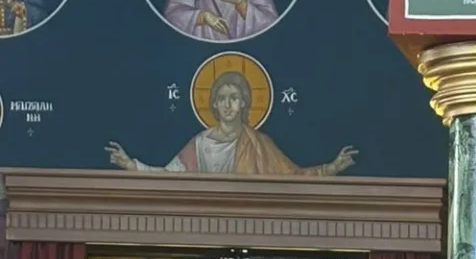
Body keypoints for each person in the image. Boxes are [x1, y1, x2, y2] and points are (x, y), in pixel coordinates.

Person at [107, 72, 357, 178]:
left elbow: (290, 177)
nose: (228, 105)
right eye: (222, 98)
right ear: (214, 104)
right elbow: (170, 176)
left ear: (244, 103)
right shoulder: (201, 143)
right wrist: (132, 166)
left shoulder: (259, 144)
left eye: (234, 98)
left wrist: (329, 169)